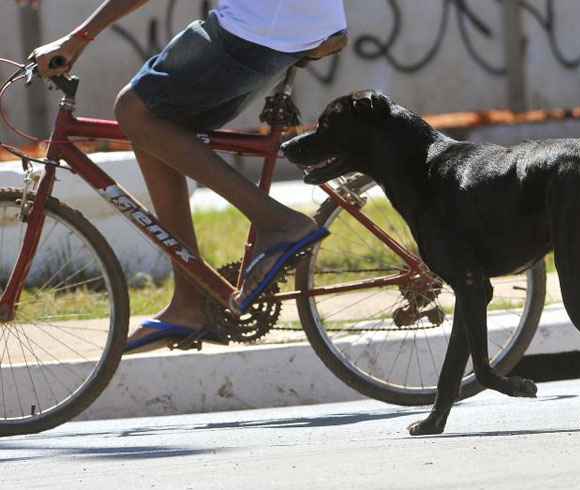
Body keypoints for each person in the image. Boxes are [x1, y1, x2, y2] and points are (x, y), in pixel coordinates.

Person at [29, 0, 346, 352]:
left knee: (134, 111)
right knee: (156, 128)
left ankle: (278, 223)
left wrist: (78, 38)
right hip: (294, 22)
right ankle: (189, 303)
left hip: (263, 25)